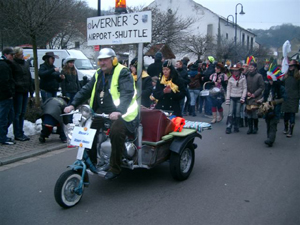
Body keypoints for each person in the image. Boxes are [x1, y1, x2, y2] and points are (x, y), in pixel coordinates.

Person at [64, 48, 138, 180]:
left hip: (124, 113)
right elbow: (86, 89)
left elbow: (127, 93)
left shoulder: (123, 72)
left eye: (105, 60)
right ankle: (92, 161)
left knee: (116, 132)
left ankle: (115, 167)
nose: (102, 63)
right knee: (87, 129)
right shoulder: (99, 74)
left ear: (113, 60)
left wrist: (119, 111)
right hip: (103, 111)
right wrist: (72, 104)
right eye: (100, 60)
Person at [12, 47, 34, 141]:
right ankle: (17, 133)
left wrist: (31, 91)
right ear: (16, 54)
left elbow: (29, 77)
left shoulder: (25, 63)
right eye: (21, 53)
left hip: (25, 90)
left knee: (22, 113)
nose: (22, 55)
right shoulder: (13, 64)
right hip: (18, 91)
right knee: (18, 113)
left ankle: (20, 132)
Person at [260, 67, 285, 147]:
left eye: (271, 80)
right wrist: (261, 101)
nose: (269, 82)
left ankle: (271, 139)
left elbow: (284, 98)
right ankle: (269, 138)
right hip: (267, 109)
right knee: (268, 123)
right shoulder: (268, 87)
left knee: (273, 124)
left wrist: (274, 102)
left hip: (275, 109)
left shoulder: (280, 88)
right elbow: (265, 96)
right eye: (269, 80)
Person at [225, 65, 247, 134]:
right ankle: (229, 126)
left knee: (237, 112)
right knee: (230, 112)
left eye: (236, 71)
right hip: (232, 97)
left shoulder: (243, 78)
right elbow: (228, 89)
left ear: (239, 71)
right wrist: (227, 98)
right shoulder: (230, 79)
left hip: (239, 97)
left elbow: (245, 88)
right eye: (234, 71)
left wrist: (243, 97)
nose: (235, 72)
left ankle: (236, 126)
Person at [0, 47, 15, 145]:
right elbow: (4, 81)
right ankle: (2, 137)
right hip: (5, 96)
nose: (12, 57)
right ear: (6, 55)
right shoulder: (3, 66)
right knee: (4, 117)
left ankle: (3, 135)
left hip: (7, 95)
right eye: (11, 55)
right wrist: (10, 92)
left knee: (9, 116)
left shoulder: (7, 65)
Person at [281, 60, 300, 137]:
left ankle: (290, 131)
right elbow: (282, 85)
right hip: (286, 97)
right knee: (286, 114)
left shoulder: (298, 76)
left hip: (294, 97)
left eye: (292, 66)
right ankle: (285, 128)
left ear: (295, 67)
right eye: (290, 66)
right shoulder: (286, 76)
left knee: (292, 114)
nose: (290, 67)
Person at [246, 62, 265, 134]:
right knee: (248, 112)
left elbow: (262, 86)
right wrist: (247, 92)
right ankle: (250, 128)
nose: (250, 69)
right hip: (248, 97)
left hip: (256, 97)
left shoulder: (259, 76)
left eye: (252, 67)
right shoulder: (247, 75)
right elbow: (245, 85)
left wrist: (255, 94)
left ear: (255, 68)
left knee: (254, 113)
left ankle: (255, 127)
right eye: (249, 67)